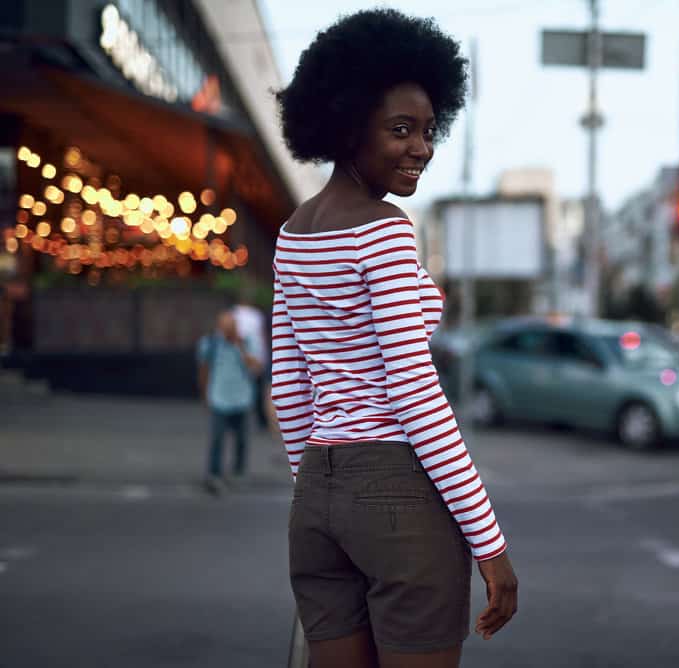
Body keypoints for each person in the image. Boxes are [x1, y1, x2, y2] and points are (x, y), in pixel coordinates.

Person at [272, 9, 516, 667]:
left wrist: (319, 492)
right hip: (397, 487)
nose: (422, 147)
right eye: (400, 129)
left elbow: (290, 384)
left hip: (318, 495)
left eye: (429, 130)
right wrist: (488, 542)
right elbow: (415, 393)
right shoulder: (384, 229)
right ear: (347, 124)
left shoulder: (292, 235)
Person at [197, 309, 262, 495]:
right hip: (219, 397)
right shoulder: (210, 343)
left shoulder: (247, 341)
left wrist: (239, 345)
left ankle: (238, 471)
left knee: (242, 439)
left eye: (230, 326)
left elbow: (256, 367)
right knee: (217, 438)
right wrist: (204, 395)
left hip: (242, 397)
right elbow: (203, 369)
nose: (226, 330)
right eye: (223, 326)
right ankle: (214, 473)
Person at [232, 288, 269, 429]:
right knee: (258, 389)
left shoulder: (234, 314)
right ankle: (261, 420)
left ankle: (239, 420)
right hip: (256, 354)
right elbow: (262, 336)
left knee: (241, 388)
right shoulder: (256, 314)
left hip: (242, 356)